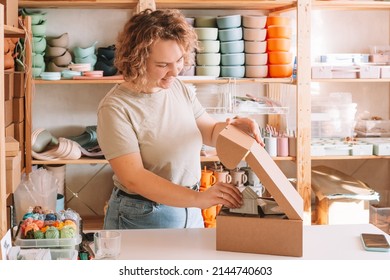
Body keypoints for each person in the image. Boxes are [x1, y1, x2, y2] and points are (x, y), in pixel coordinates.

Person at [97, 9, 263, 230]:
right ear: (137, 61)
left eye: (178, 60)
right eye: (162, 65)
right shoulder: (116, 107)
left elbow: (211, 132)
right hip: (142, 215)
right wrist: (198, 200)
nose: (175, 71)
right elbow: (133, 178)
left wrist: (234, 127)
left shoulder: (177, 88)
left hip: (189, 209)